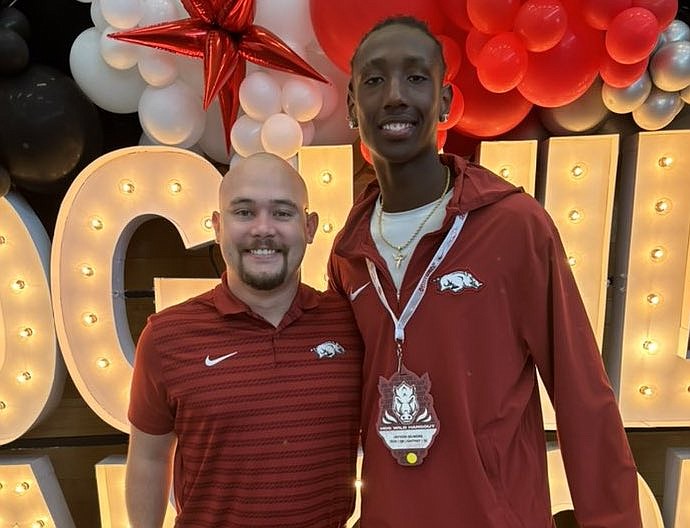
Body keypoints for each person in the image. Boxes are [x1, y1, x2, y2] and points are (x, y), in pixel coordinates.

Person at [327, 16, 643, 528]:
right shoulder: (348, 251)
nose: (394, 95)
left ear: (447, 102)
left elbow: (582, 395)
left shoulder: (514, 226)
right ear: (351, 108)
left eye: (416, 77)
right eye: (374, 80)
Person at [126, 152, 363, 527]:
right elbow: (148, 458)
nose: (262, 229)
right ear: (218, 226)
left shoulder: (352, 325)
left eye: (283, 213)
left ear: (310, 226)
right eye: (244, 212)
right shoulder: (166, 337)